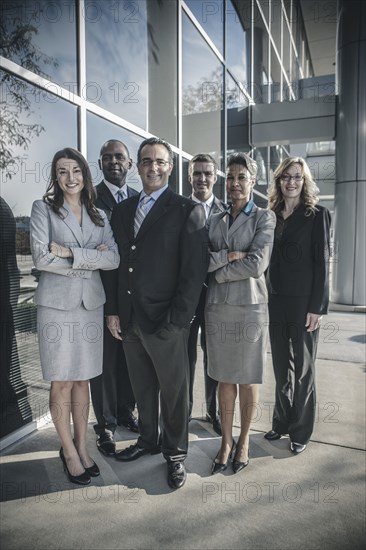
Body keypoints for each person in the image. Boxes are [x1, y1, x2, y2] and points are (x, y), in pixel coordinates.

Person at [103, 137, 208, 490]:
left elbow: (193, 272)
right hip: (131, 320)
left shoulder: (186, 210)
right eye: (146, 161)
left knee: (174, 392)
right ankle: (148, 440)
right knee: (143, 388)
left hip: (167, 322)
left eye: (159, 161)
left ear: (170, 166)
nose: (153, 167)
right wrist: (114, 311)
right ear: (138, 164)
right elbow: (118, 266)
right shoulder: (123, 209)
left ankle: (175, 453)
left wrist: (179, 320)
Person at [30, 147, 120, 485]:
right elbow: (40, 258)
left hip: (89, 307)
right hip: (56, 307)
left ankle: (83, 447)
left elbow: (113, 258)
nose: (70, 178)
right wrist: (88, 258)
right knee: (62, 380)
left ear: (85, 175)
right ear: (56, 176)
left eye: (76, 171)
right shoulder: (43, 209)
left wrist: (69, 253)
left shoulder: (99, 215)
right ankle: (67, 450)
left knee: (83, 380)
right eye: (63, 171)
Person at [205, 152, 276, 475]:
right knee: (224, 378)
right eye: (230, 177)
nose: (234, 183)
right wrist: (228, 257)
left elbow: (257, 263)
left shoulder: (265, 218)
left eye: (241, 177)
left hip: (249, 310)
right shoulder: (214, 218)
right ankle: (226, 441)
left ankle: (244, 441)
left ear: (253, 181)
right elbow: (201, 260)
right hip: (218, 310)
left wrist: (218, 272)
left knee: (247, 379)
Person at [264, 156, 331, 454]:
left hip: (305, 303)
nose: (292, 181)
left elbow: (322, 263)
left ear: (305, 182)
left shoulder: (316, 215)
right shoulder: (270, 214)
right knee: (281, 366)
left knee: (303, 368)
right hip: (275, 301)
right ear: (278, 180)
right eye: (286, 176)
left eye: (298, 177)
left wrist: (317, 306)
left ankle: (300, 430)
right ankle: (282, 422)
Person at [90, 139, 139, 458]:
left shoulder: (139, 198)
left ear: (130, 163)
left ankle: (125, 412)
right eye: (106, 157)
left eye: (119, 156)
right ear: (100, 163)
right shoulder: (90, 198)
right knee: (105, 362)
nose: (113, 161)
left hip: (133, 293)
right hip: (102, 292)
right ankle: (105, 422)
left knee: (130, 359)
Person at [187, 153, 226, 435]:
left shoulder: (227, 212)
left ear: (215, 177)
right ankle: (183, 413)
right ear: (189, 177)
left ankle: (214, 412)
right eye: (197, 173)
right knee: (184, 358)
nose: (202, 178)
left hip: (217, 297)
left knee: (214, 357)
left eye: (207, 173)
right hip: (186, 299)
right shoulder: (178, 209)